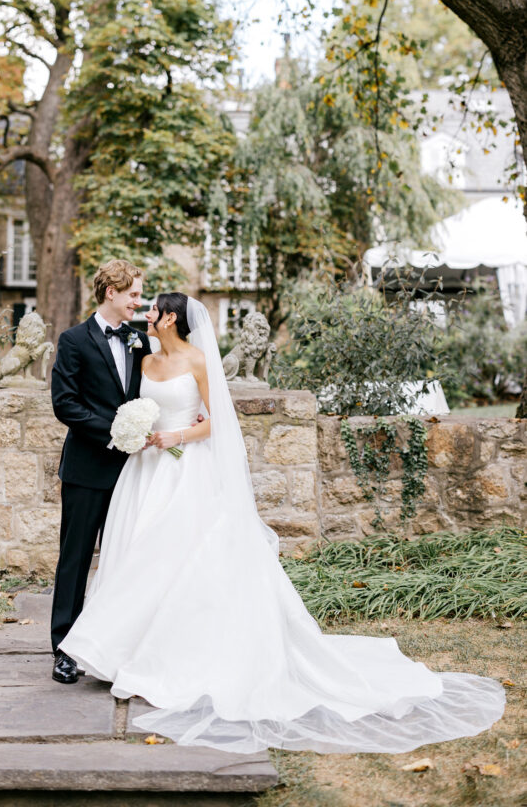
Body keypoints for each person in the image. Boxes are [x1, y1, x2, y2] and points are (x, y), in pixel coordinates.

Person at [57, 293, 505, 754]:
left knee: (178, 558)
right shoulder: (146, 358)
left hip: (186, 469)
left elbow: (218, 422)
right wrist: (138, 430)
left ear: (171, 317)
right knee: (138, 556)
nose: (145, 315)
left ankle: (172, 654)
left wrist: (177, 434)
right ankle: (123, 651)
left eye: (152, 310)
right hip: (145, 472)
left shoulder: (198, 361)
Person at [49, 259, 151, 684]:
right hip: (87, 468)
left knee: (125, 560)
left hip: (135, 472)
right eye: (132, 294)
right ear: (111, 290)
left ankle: (114, 648)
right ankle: (65, 650)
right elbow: (64, 403)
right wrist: (114, 433)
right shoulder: (73, 340)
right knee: (75, 559)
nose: (137, 301)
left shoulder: (140, 340)